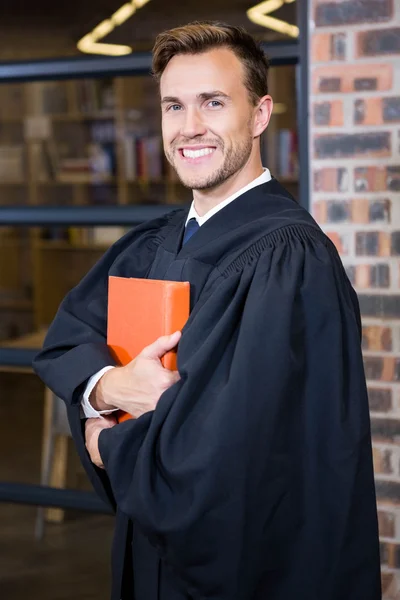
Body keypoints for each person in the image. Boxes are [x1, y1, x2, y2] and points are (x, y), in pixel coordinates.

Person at [33, 21, 381, 600]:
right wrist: (113, 386)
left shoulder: (290, 258)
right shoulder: (152, 243)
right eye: (174, 106)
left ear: (261, 114)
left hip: (249, 571)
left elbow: (230, 451)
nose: (189, 128)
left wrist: (105, 445)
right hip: (151, 556)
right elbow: (66, 342)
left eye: (213, 103)